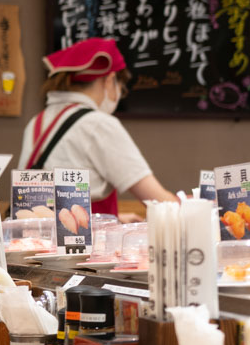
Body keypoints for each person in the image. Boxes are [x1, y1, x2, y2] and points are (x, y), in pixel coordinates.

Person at [17, 37, 178, 217]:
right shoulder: (98, 124)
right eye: (121, 87)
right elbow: (158, 202)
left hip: (32, 240)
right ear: (109, 80)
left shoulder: (37, 121)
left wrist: (113, 221)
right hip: (81, 243)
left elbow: (49, 212)